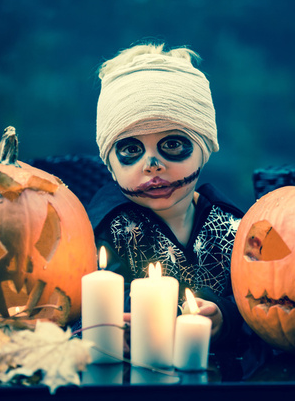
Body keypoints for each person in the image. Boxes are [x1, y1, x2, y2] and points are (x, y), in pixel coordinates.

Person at [86, 42, 245, 352]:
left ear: (205, 148)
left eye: (172, 144)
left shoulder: (232, 226)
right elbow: (82, 307)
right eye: (131, 150)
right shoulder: (105, 230)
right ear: (110, 164)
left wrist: (225, 315)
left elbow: (268, 302)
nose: (153, 164)